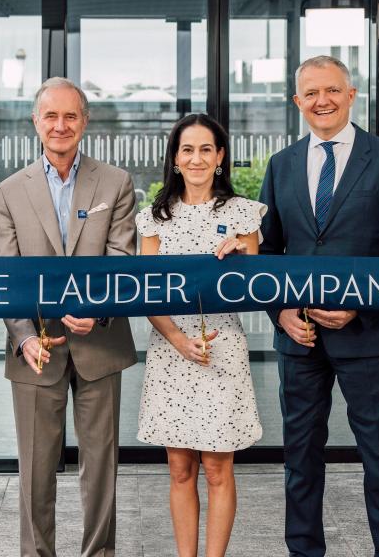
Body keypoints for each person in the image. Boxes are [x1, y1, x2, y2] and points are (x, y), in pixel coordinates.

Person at [259, 56, 379, 557]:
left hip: (368, 337)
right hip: (300, 339)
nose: (322, 101)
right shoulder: (282, 164)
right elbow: (266, 254)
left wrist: (359, 306)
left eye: (331, 90)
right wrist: (281, 313)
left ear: (352, 95)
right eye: (310, 94)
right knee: (300, 461)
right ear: (297, 103)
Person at [0, 77, 137, 557]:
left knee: (101, 469)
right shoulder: (9, 191)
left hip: (100, 341)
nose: (60, 125)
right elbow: (6, 274)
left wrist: (96, 311)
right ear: (35, 121)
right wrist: (24, 336)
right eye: (50, 116)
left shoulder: (115, 182)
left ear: (85, 121)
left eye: (70, 116)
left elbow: (121, 258)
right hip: (36, 349)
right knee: (34, 472)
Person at [135, 113, 264, 557]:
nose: (196, 158)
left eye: (206, 149)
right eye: (187, 149)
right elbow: (147, 293)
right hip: (172, 349)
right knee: (179, 469)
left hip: (222, 349)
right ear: (174, 158)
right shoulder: (154, 217)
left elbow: (255, 286)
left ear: (221, 157)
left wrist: (243, 256)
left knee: (217, 468)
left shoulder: (243, 214)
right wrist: (176, 339)